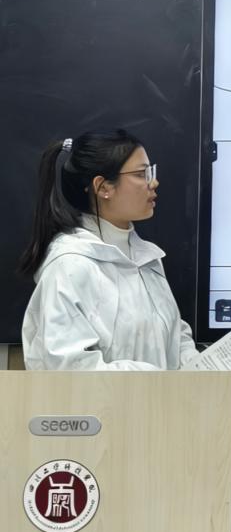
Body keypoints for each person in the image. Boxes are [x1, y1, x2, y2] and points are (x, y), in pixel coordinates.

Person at [18, 130, 198, 370]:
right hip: (121, 397)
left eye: (150, 172)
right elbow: (69, 369)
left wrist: (197, 364)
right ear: (103, 187)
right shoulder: (70, 265)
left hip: (163, 395)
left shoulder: (148, 259)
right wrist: (154, 379)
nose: (153, 183)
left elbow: (174, 336)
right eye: (141, 174)